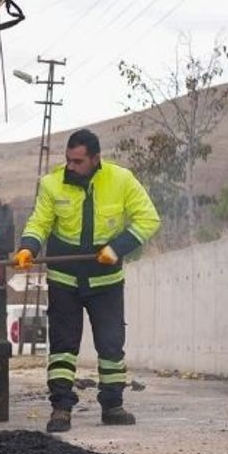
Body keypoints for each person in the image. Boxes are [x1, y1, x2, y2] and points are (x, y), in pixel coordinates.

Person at [13, 128, 159, 433]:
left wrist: (116, 248)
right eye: (68, 160)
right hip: (64, 280)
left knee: (111, 344)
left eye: (78, 161)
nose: (71, 167)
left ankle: (113, 406)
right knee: (63, 347)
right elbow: (39, 222)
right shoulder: (51, 184)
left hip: (106, 281)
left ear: (95, 159)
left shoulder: (121, 180)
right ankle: (61, 408)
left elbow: (148, 219)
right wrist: (28, 247)